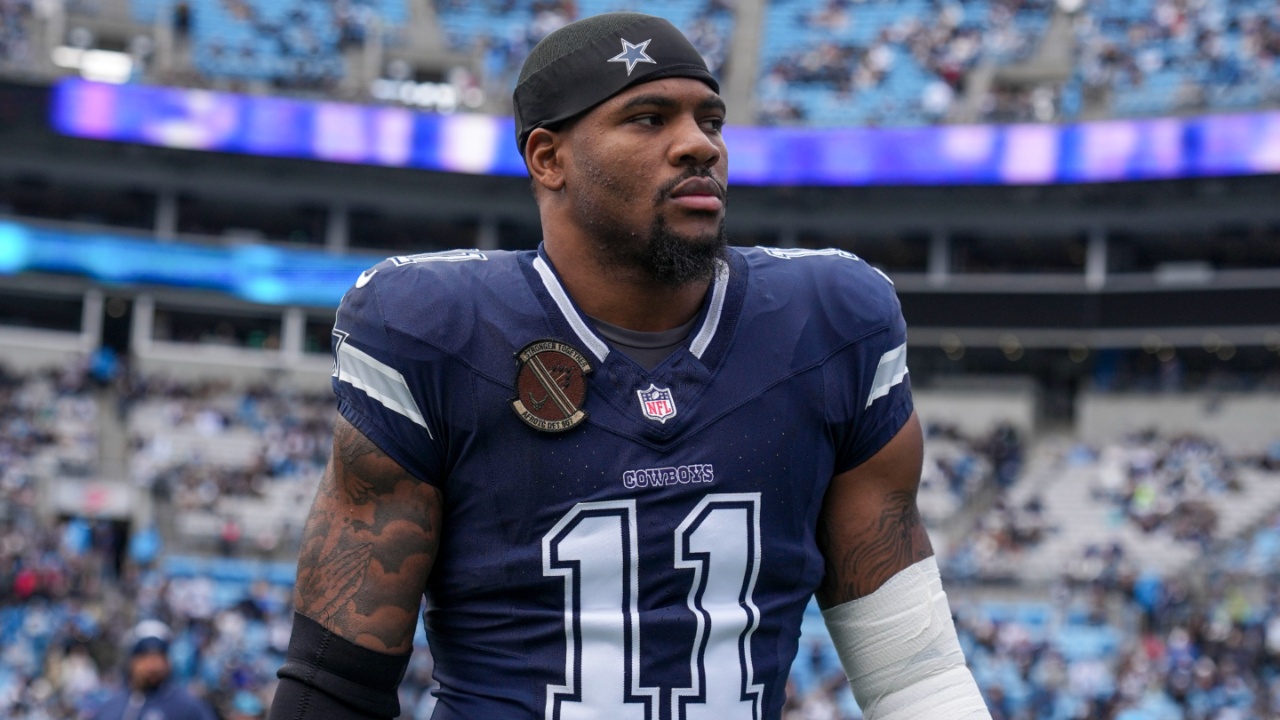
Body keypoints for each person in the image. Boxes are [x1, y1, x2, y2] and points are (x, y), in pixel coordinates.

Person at [271, 11, 990, 720]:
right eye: (648, 119)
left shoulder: (831, 321)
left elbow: (914, 679)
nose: (698, 145)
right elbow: (335, 686)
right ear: (548, 158)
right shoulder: (434, 329)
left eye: (711, 120)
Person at [91, 620, 217, 720]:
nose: (153, 666)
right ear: (132, 661)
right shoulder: (112, 705)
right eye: (145, 657)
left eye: (159, 657)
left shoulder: (186, 706)